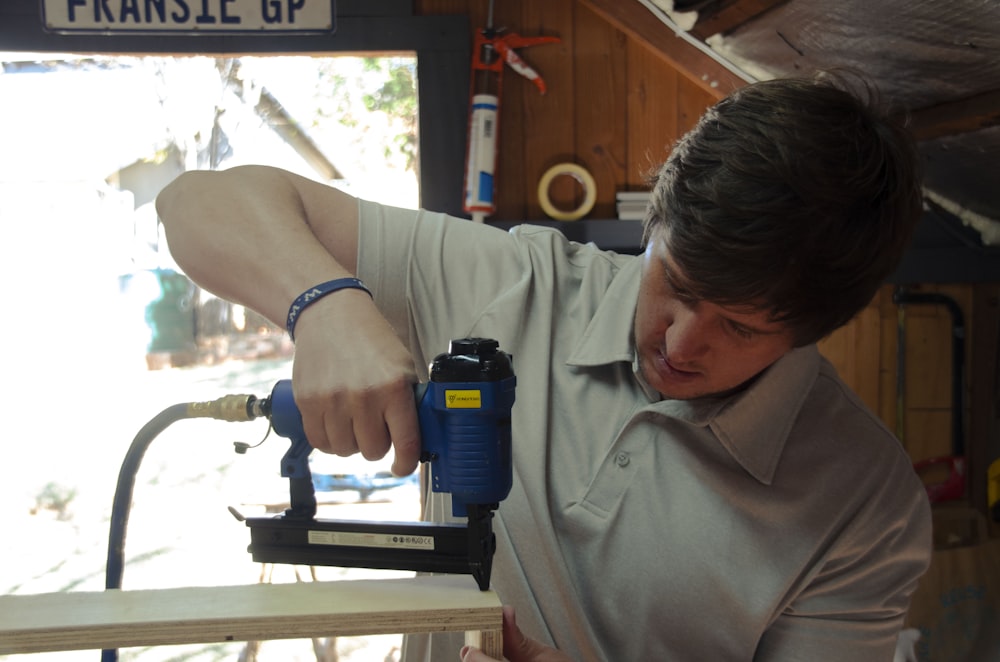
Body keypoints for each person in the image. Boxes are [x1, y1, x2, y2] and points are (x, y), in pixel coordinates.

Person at [155, 71, 932, 661]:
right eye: (679, 285)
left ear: (810, 329)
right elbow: (195, 204)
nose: (682, 342)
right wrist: (325, 305)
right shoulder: (517, 284)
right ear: (655, 224)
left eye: (739, 327)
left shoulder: (865, 505)